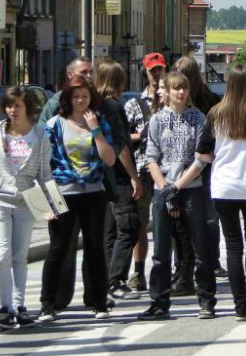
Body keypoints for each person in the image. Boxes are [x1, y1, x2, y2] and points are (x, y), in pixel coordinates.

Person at [39, 56, 129, 311]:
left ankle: (97, 299)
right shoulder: (53, 118)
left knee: (94, 247)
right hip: (62, 192)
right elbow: (40, 163)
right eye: (84, 73)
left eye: (85, 95)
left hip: (94, 190)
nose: (81, 98)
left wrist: (96, 130)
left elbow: (114, 150)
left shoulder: (101, 113)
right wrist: (41, 205)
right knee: (60, 248)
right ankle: (52, 301)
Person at [138, 71, 216, 321]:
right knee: (161, 252)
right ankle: (159, 301)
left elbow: (202, 158)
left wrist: (178, 186)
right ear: (168, 92)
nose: (180, 93)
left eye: (184, 88)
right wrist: (164, 187)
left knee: (200, 248)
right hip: (164, 188)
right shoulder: (157, 121)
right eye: (175, 89)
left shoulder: (198, 118)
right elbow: (151, 158)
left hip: (190, 188)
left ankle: (206, 300)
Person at [195, 64, 246, 321]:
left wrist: (218, 157)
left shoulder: (216, 114)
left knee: (233, 246)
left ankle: (240, 307)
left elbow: (202, 151)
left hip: (223, 186)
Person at [0, 86, 52, 329]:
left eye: (18, 105)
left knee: (20, 257)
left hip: (25, 199)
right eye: (9, 105)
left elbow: (45, 174)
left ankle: (20, 306)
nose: (12, 110)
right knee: (1, 255)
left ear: (28, 109)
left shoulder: (40, 135)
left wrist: (52, 208)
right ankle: (5, 308)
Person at [170, 57, 226, 293]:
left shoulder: (210, 102)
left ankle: (208, 262)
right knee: (182, 221)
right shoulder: (205, 101)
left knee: (207, 218)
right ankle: (185, 265)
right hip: (184, 167)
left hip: (205, 167)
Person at [95, 60, 143, 301]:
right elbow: (122, 146)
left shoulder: (96, 107)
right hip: (119, 176)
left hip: (102, 176)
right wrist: (134, 176)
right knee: (130, 226)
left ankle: (107, 279)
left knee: (111, 231)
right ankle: (116, 279)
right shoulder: (114, 108)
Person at [124, 52, 166, 292]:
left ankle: (166, 269)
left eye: (160, 69)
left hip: (165, 170)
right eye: (153, 70)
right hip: (141, 168)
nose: (156, 74)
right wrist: (139, 136)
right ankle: (138, 273)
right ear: (146, 71)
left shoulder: (170, 100)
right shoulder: (134, 104)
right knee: (140, 223)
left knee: (166, 223)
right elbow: (123, 136)